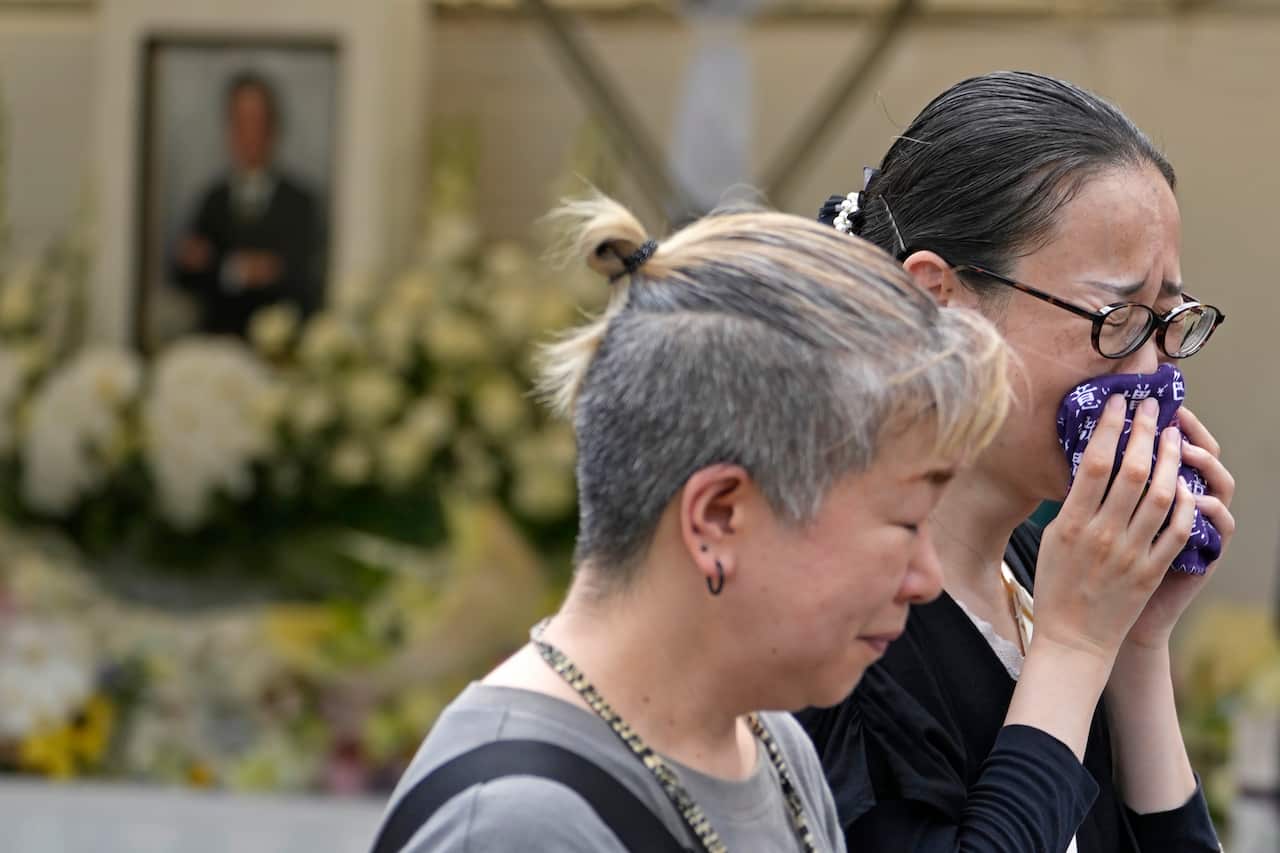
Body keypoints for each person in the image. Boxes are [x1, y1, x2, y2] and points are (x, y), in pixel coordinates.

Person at [369, 196, 1012, 852]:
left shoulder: (768, 741)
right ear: (718, 517)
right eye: (906, 522)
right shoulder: (516, 826)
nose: (925, 578)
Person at [799, 71, 1235, 852]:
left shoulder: (1050, 577)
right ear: (937, 300)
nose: (1149, 373)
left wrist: (1136, 645)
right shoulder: (840, 623)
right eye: (1117, 318)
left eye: (1169, 319)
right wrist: (1075, 647)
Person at [172, 71, 323, 338]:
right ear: (229, 129)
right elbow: (187, 274)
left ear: (273, 128)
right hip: (218, 339)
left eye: (257, 122)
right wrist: (242, 270)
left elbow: (302, 277)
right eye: (240, 122)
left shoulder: (301, 202)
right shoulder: (212, 200)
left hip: (281, 344)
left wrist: (222, 265)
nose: (249, 133)